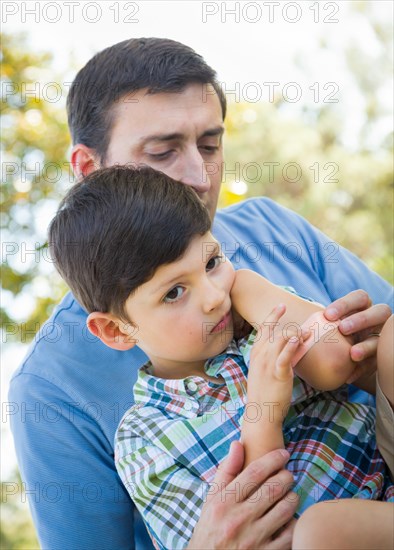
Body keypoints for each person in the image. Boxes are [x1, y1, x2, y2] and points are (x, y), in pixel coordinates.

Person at [9, 37, 392, 549]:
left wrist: (367, 355)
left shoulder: (267, 228)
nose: (198, 175)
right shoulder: (51, 391)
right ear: (88, 169)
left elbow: (360, 357)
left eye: (210, 145)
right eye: (163, 152)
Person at [47, 164, 394, 550]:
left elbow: (335, 363)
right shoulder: (144, 439)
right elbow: (255, 531)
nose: (214, 297)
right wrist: (263, 412)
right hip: (315, 535)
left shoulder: (254, 315)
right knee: (322, 532)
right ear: (116, 330)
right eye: (174, 293)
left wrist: (250, 287)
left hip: (387, 467)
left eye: (212, 263)